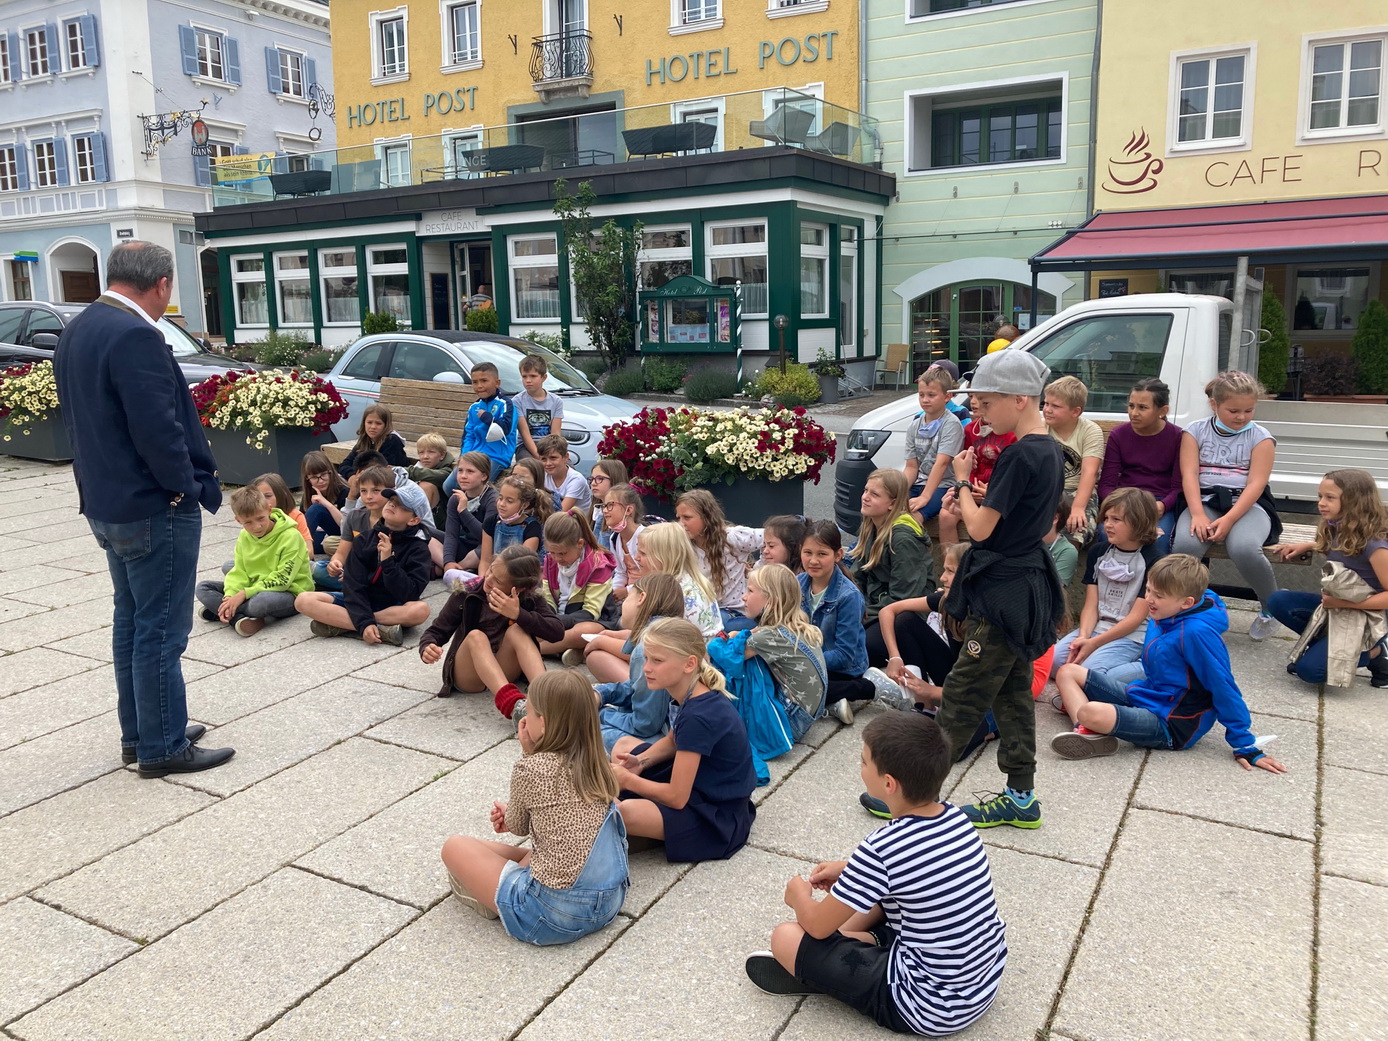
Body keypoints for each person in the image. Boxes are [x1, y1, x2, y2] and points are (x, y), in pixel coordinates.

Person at [53, 240, 233, 776]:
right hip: (152, 506)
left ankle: (143, 733)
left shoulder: (81, 326)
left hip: (107, 502)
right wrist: (185, 488)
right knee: (161, 629)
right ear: (161, 285)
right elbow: (159, 431)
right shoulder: (136, 334)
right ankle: (162, 747)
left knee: (131, 621)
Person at [744, 712, 1006, 1038]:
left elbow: (815, 924)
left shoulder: (883, 847)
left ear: (888, 783)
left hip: (925, 1006)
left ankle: (831, 973)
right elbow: (913, 873)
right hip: (982, 981)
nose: (860, 767)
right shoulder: (957, 818)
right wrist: (850, 871)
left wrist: (798, 895)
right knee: (869, 905)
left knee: (787, 935)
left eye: (863, 761)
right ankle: (868, 945)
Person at [937, 348, 1064, 828]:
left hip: (1003, 590)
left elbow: (982, 531)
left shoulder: (1017, 453)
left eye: (987, 403)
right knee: (1011, 694)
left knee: (962, 694)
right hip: (1027, 582)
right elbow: (1020, 514)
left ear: (1019, 398)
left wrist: (965, 484)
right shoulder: (1048, 447)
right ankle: (1021, 796)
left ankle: (916, 797)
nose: (980, 413)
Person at [1050, 555, 1289, 774]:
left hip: (1172, 723)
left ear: (1186, 602)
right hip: (1147, 696)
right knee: (1067, 672)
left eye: (1158, 596)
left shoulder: (1197, 634)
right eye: (1148, 590)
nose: (1149, 600)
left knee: (1090, 710)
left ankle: (1087, 724)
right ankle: (1088, 731)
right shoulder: (1164, 613)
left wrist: (1244, 743)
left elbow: (1223, 685)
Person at [440, 670, 629, 943]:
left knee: (455, 846)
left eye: (529, 713)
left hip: (552, 915)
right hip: (609, 903)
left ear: (546, 722)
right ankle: (495, 883)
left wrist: (528, 754)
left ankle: (494, 897)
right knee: (533, 851)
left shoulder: (531, 768)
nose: (525, 720)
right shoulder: (597, 762)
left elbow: (516, 827)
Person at [613, 619, 757, 862]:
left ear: (689, 664)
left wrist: (628, 780)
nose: (647, 668)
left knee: (621, 811)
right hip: (703, 785)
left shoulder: (698, 716)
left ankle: (650, 832)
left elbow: (677, 797)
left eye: (657, 661)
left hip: (717, 817)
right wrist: (640, 762)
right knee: (623, 747)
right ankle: (652, 829)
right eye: (647, 659)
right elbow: (672, 741)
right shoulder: (692, 692)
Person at [1173, 371, 1283, 641]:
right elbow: (1189, 475)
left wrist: (1230, 520)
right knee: (1186, 546)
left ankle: (1271, 607)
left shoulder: (1261, 437)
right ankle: (1182, 608)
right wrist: (1197, 513)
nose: (1242, 417)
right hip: (1205, 501)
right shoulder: (1195, 432)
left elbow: (1256, 485)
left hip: (1247, 504)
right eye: (1233, 410)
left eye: (1249, 410)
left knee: (1244, 547)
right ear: (1214, 405)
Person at [1269, 469, 1388, 687]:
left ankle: (1376, 652)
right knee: (1277, 601)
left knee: (1310, 672)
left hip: (1369, 618)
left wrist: (1342, 602)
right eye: (1320, 496)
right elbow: (1344, 549)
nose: (1321, 503)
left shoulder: (1376, 545)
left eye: (1330, 498)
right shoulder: (1336, 526)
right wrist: (1308, 545)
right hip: (1339, 607)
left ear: (1355, 502)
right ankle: (1326, 647)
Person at [419, 545, 562, 721]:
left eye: (499, 581)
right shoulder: (468, 592)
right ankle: (513, 706)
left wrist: (519, 614)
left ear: (518, 589)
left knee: (517, 630)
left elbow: (557, 632)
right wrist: (427, 646)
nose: (489, 579)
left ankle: (548, 699)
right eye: (491, 570)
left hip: (503, 668)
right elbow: (436, 630)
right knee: (476, 636)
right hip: (469, 675)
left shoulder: (529, 598)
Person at [295, 482, 433, 645]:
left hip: (392, 606)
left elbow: (410, 593)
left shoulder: (419, 548)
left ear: (414, 520)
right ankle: (379, 629)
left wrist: (388, 561)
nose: (392, 505)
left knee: (420, 611)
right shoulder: (364, 539)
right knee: (303, 601)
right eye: (391, 501)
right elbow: (353, 585)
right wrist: (365, 622)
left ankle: (344, 624)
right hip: (359, 601)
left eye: (401, 505)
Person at [1049, 488, 1164, 684]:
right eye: (1106, 519)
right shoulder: (1098, 552)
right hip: (1097, 627)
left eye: (1116, 520)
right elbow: (1091, 604)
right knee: (1053, 662)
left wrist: (1093, 644)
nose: (1107, 525)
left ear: (1139, 521)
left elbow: (1137, 617)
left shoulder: (1154, 559)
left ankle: (1143, 666)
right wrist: (1083, 638)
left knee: (1086, 674)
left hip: (1131, 635)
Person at [195, 485, 312, 637]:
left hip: (290, 592)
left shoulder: (291, 536)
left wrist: (243, 594)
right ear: (238, 520)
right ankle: (237, 616)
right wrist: (230, 596)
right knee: (202, 587)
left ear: (269, 510)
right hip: (256, 586)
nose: (256, 526)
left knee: (260, 603)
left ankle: (222, 611)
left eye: (260, 518)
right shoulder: (244, 536)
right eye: (248, 522)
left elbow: (283, 579)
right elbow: (240, 571)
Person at [598, 572, 686, 752]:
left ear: (641, 598)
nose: (623, 604)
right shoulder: (672, 633)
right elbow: (635, 687)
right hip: (671, 732)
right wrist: (601, 694)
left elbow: (645, 724)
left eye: (628, 597)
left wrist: (602, 713)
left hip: (667, 743)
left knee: (586, 729)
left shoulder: (648, 648)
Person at [740, 564, 827, 741]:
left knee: (745, 667)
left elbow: (730, 656)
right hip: (806, 716)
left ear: (771, 601)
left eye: (750, 591)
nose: (743, 597)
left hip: (790, 722)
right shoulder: (796, 625)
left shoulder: (769, 636)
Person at [856, 468, 934, 665]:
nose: (865, 497)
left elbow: (905, 595)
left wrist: (863, 614)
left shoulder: (902, 539)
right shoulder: (872, 525)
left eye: (874, 494)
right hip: (876, 606)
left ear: (892, 503)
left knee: (860, 644)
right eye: (866, 491)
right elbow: (859, 576)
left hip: (904, 616)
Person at [1097, 378, 1183, 553]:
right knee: (1106, 534)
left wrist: (1163, 506)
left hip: (1157, 503)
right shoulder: (1119, 435)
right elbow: (1106, 483)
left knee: (1158, 540)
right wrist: (1119, 506)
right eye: (1131, 406)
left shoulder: (1177, 436)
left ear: (1162, 411)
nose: (1134, 413)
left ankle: (1151, 581)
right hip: (1124, 501)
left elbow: (1179, 487)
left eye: (1142, 407)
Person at [799, 521, 872, 721]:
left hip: (843, 670)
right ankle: (831, 703)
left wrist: (803, 659)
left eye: (822, 554)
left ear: (838, 555)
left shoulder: (848, 596)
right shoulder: (797, 584)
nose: (813, 560)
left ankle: (865, 688)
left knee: (792, 686)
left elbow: (844, 655)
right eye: (808, 553)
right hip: (807, 661)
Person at [675, 489, 763, 632]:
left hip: (735, 613)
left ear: (706, 517)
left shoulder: (732, 537)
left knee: (708, 628)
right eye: (678, 518)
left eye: (687, 517)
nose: (681, 523)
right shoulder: (685, 545)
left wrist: (760, 569)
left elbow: (772, 537)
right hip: (705, 611)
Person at [536, 509, 618, 661]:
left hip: (591, 620)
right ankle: (565, 648)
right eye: (552, 552)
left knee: (584, 632)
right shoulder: (550, 562)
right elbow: (547, 598)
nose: (556, 558)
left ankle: (537, 650)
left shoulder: (598, 565)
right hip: (557, 618)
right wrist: (546, 618)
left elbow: (591, 611)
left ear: (580, 543)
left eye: (562, 553)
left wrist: (556, 622)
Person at [937, 392, 1016, 549]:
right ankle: (951, 568)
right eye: (971, 396)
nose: (973, 402)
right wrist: (969, 488)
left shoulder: (1011, 431)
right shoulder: (970, 430)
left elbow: (1011, 473)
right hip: (973, 488)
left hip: (998, 491)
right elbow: (968, 465)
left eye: (980, 398)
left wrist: (989, 492)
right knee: (946, 515)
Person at [1044, 375, 1104, 547]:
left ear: (1075, 411)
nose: (1047, 409)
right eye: (1046, 403)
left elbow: (1089, 472)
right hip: (1048, 489)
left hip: (1079, 491)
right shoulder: (1041, 427)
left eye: (1055, 406)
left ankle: (1064, 568)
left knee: (1077, 527)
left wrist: (1078, 508)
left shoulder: (1090, 431)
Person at [634, 521, 721, 639]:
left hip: (690, 654)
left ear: (665, 557)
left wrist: (600, 640)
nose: (636, 557)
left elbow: (650, 643)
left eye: (643, 553)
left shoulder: (672, 593)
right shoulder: (689, 580)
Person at [312, 464, 392, 591]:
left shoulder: (395, 520)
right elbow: (341, 553)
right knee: (317, 570)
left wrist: (357, 575)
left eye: (376, 490)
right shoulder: (354, 516)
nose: (368, 496)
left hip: (382, 576)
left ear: (391, 491)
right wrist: (335, 564)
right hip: (355, 572)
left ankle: (354, 589)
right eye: (363, 491)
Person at [903, 368, 965, 525]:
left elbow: (942, 463)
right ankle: (862, 548)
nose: (925, 400)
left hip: (942, 486)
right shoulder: (914, 425)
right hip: (918, 482)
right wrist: (897, 491)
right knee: (883, 508)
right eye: (921, 395)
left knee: (912, 518)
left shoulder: (951, 424)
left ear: (947, 396)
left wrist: (925, 496)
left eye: (931, 395)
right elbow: (911, 467)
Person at [442, 450, 497, 581]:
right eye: (460, 471)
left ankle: (457, 569)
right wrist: (448, 560)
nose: (463, 476)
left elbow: (486, 536)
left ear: (484, 476)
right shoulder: (456, 498)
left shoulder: (492, 499)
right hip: (464, 545)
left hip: (484, 548)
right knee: (427, 534)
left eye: (470, 472)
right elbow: (451, 534)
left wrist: (463, 511)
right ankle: (450, 568)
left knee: (479, 552)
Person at [460, 362, 518, 480]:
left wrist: (488, 418)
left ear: (497, 383)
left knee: (474, 482)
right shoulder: (474, 407)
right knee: (448, 485)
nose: (479, 386)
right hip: (474, 456)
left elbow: (505, 429)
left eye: (484, 381)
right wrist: (465, 456)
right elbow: (468, 435)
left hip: (496, 457)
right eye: (475, 382)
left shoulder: (505, 404)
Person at [478, 473, 544, 573]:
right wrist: (483, 581)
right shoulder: (491, 522)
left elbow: (523, 567)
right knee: (451, 574)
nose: (502, 504)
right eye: (500, 498)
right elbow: (485, 561)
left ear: (524, 505)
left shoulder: (532, 528)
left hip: (518, 578)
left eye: (509, 501)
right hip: (492, 575)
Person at [337, 403, 409, 482]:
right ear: (364, 423)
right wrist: (351, 476)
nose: (373, 427)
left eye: (378, 423)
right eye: (369, 422)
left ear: (386, 425)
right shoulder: (364, 441)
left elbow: (384, 470)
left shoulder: (392, 440)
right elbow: (344, 464)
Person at [513, 353, 564, 461]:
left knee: (568, 468)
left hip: (549, 445)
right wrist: (540, 457)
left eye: (533, 376)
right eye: (524, 376)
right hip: (526, 446)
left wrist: (551, 456)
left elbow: (555, 434)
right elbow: (525, 435)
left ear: (544, 377)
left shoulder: (556, 401)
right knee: (531, 467)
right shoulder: (517, 401)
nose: (528, 380)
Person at [300, 451, 348, 557]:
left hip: (343, 535)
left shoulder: (343, 491)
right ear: (307, 479)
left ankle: (298, 553)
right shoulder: (308, 495)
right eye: (314, 477)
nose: (320, 481)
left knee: (316, 509)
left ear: (330, 472)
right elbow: (303, 525)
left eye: (323, 475)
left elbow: (346, 525)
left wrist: (325, 503)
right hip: (324, 536)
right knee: (310, 541)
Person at [249, 472, 312, 552]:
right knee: (229, 564)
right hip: (262, 560)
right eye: (258, 497)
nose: (263, 501)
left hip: (289, 559)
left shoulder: (294, 516)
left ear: (281, 495)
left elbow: (309, 551)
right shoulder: (254, 517)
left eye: (268, 496)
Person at [605, 484, 645, 602]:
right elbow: (621, 572)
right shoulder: (615, 538)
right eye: (604, 506)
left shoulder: (645, 537)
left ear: (629, 510)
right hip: (629, 596)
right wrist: (612, 592)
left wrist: (627, 591)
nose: (605, 510)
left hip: (646, 595)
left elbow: (655, 577)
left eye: (610, 505)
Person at [537, 433, 591, 512]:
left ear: (566, 457)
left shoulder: (576, 480)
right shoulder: (543, 475)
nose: (548, 463)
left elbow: (561, 512)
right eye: (543, 459)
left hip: (574, 521)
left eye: (553, 458)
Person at [407, 432, 455, 515]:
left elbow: (436, 475)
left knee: (426, 485)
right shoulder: (419, 467)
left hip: (440, 518)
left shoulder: (447, 472)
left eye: (431, 452)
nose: (425, 456)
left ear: (442, 455)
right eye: (421, 452)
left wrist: (403, 471)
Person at [588, 459, 628, 550]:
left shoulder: (621, 514)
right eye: (592, 479)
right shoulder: (596, 509)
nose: (593, 483)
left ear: (614, 479)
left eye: (599, 479)